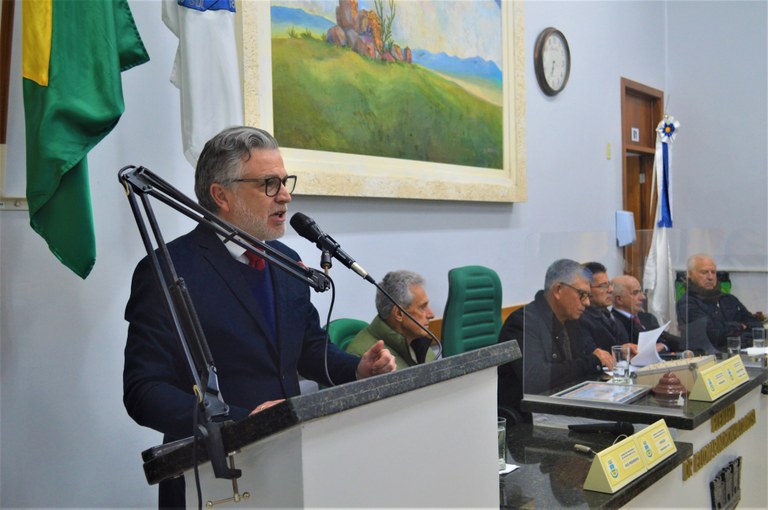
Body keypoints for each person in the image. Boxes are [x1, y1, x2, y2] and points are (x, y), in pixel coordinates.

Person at [123, 126, 396, 508]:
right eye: (269, 184)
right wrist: (238, 421)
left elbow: (308, 349)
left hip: (289, 465)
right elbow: (144, 390)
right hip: (212, 476)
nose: (285, 195)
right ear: (221, 195)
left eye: (285, 181)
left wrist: (357, 369)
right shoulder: (168, 270)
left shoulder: (286, 261)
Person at [497, 259, 610, 420]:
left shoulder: (572, 319)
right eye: (582, 295)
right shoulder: (522, 323)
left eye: (588, 296)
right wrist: (592, 362)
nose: (587, 302)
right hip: (530, 416)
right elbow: (537, 379)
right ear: (558, 290)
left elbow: (591, 354)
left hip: (565, 405)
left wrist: (598, 359)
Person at [346, 270, 437, 368]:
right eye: (422, 307)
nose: (431, 315)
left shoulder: (418, 342)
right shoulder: (367, 359)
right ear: (399, 314)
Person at [676, 254, 762, 352]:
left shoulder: (729, 300)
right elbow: (711, 334)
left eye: (713, 272)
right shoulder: (687, 303)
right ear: (690, 274)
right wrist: (739, 326)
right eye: (704, 272)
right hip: (708, 358)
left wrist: (738, 338)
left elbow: (757, 328)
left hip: (741, 354)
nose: (710, 277)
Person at [612, 274, 681, 353]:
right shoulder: (613, 323)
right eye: (635, 293)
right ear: (619, 299)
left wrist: (663, 346)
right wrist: (656, 348)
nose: (642, 297)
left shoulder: (647, 317)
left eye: (641, 292)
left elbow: (667, 340)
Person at [577, 262, 633, 354]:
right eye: (603, 286)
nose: (610, 290)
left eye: (610, 284)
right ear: (586, 289)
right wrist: (620, 351)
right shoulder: (580, 319)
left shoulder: (611, 316)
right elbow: (593, 356)